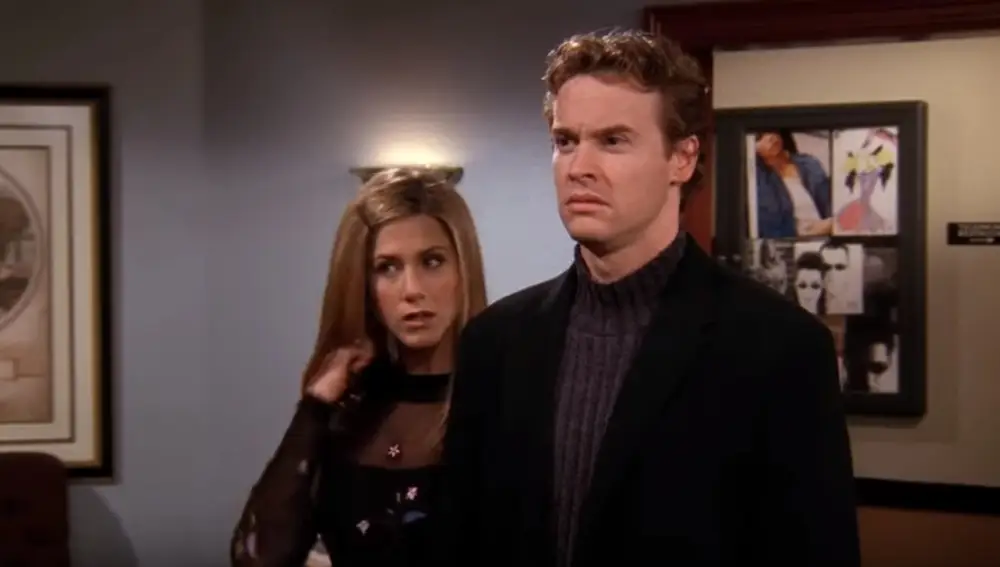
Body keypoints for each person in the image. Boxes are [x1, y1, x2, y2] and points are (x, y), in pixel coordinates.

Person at [440, 30, 860, 567]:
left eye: (613, 141)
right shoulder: (496, 342)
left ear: (682, 158)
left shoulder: (780, 350)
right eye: (565, 141)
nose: (578, 166)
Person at [231, 167, 488, 567]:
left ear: (463, 268)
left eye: (432, 261)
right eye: (387, 267)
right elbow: (257, 558)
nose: (412, 290)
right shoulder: (349, 412)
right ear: (364, 286)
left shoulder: (500, 397)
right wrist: (315, 406)